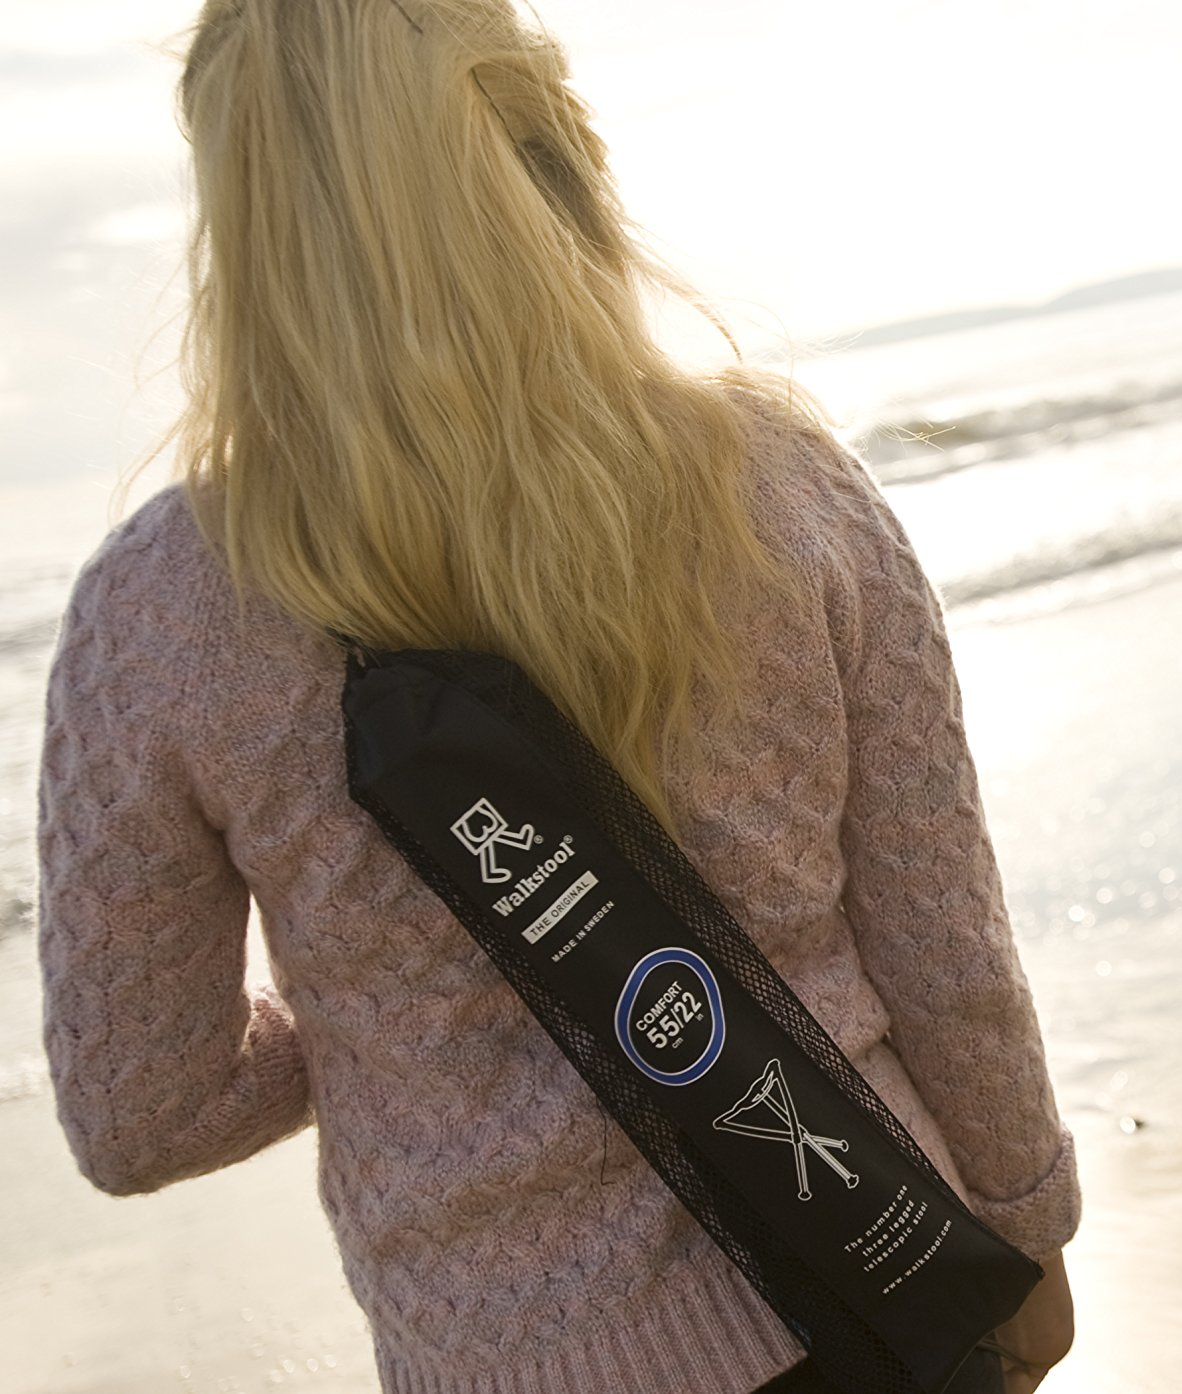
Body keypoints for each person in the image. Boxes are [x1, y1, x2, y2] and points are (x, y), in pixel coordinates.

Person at [34, 1, 1077, 1390]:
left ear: (248, 229)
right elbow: (945, 955)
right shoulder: (785, 485)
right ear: (545, 148)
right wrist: (1029, 1228)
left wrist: (368, 1013)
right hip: (876, 1282)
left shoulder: (159, 615)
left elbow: (137, 1113)